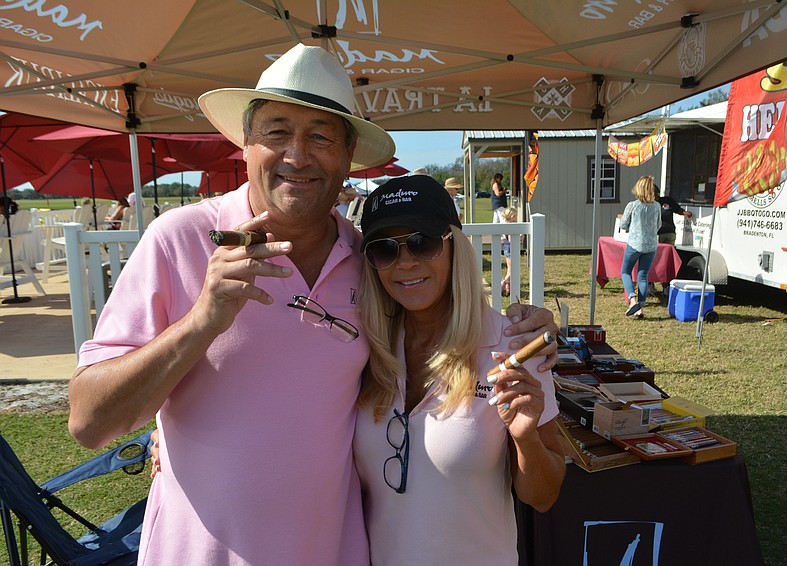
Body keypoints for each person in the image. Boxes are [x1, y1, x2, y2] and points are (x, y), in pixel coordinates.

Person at [67, 43, 557, 565]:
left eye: (321, 136)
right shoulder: (179, 239)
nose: (297, 155)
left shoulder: (367, 259)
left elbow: (433, 319)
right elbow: (89, 423)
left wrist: (530, 321)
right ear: (246, 144)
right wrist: (200, 323)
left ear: (347, 158)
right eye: (277, 131)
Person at [354, 176, 565, 564]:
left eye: (423, 241)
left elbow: (544, 495)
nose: (405, 261)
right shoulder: (365, 350)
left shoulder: (513, 345)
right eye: (385, 250)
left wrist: (526, 440)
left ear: (454, 245)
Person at [619, 175, 661, 319]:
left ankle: (632, 299)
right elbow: (659, 225)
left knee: (625, 271)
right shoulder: (657, 206)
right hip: (651, 245)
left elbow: (623, 224)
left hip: (635, 244)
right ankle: (640, 308)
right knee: (643, 276)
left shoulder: (633, 205)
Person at [500, 206, 518, 297]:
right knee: (512, 270)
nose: (516, 219)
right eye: (514, 217)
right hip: (511, 248)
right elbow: (511, 240)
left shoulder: (505, 225)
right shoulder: (511, 226)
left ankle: (508, 288)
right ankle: (503, 284)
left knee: (509, 269)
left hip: (506, 248)